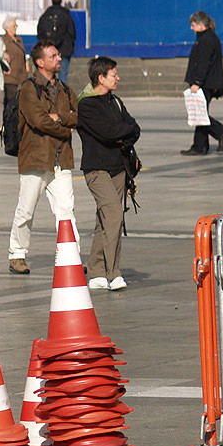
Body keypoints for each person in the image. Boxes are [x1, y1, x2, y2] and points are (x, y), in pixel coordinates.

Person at [8, 40, 79, 275]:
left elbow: (76, 116)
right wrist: (63, 127)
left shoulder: (66, 89)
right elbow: (38, 120)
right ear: (40, 62)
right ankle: (17, 254)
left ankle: (71, 255)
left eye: (59, 54)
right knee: (26, 210)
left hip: (62, 159)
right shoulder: (28, 88)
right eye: (54, 56)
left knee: (66, 212)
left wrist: (60, 118)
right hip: (36, 158)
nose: (59, 58)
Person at [76, 57, 140, 291]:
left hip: (118, 168)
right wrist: (122, 133)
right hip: (97, 168)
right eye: (114, 74)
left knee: (103, 220)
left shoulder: (116, 101)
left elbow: (134, 128)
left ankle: (95, 271)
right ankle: (113, 271)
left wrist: (123, 133)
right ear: (101, 78)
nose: (118, 77)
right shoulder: (87, 105)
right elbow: (108, 133)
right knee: (113, 216)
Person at [181, 11, 223, 155]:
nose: (191, 28)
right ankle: (201, 146)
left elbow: (204, 63)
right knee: (199, 114)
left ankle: (220, 132)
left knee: (200, 114)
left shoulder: (207, 40)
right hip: (207, 82)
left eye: (193, 25)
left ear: (201, 25)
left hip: (205, 84)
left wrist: (197, 82)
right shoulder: (205, 38)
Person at [36, 0, 76, 86]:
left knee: (46, 76)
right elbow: (72, 33)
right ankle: (63, 97)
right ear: (61, 0)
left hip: (48, 52)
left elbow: (39, 33)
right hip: (64, 51)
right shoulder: (66, 15)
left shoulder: (45, 16)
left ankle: (46, 96)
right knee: (63, 77)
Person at [2, 16, 29, 102]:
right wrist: (3, 54)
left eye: (16, 26)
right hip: (10, 76)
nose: (16, 28)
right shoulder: (3, 40)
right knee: (11, 101)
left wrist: (27, 63)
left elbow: (23, 53)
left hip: (21, 74)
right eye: (14, 26)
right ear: (7, 28)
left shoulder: (19, 39)